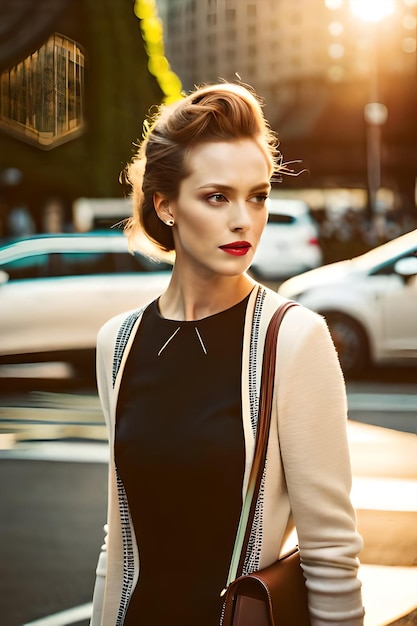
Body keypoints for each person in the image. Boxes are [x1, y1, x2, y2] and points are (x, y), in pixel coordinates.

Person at [90, 82, 364, 626]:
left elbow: (331, 556)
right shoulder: (117, 343)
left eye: (257, 196)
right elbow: (118, 539)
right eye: (218, 196)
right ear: (165, 205)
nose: (244, 220)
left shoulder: (294, 338)